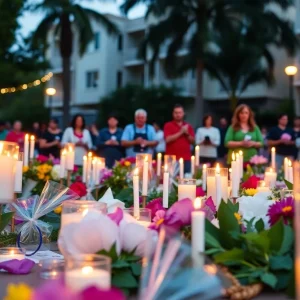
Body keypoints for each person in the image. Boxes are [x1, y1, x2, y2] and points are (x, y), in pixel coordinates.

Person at [164, 104, 195, 172]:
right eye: (176, 113)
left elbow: (193, 142)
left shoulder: (188, 126)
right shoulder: (168, 125)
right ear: (173, 114)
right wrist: (181, 132)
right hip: (171, 158)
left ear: (183, 113)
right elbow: (167, 140)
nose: (178, 115)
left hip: (186, 158)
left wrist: (187, 134)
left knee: (186, 179)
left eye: (180, 113)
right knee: (170, 180)